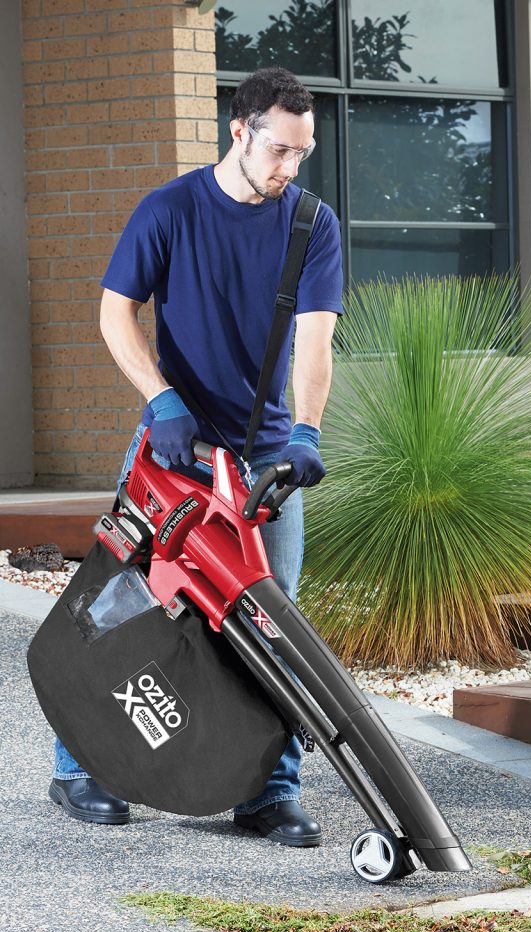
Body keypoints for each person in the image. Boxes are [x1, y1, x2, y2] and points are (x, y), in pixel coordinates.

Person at [47, 67, 343, 848]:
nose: (290, 169)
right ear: (240, 131)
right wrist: (160, 398)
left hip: (260, 458)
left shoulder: (311, 224)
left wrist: (304, 433)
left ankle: (268, 793)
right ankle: (79, 768)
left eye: (302, 155)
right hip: (172, 450)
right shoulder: (169, 210)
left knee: (271, 624)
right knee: (125, 605)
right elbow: (116, 315)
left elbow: (316, 343)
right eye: (280, 151)